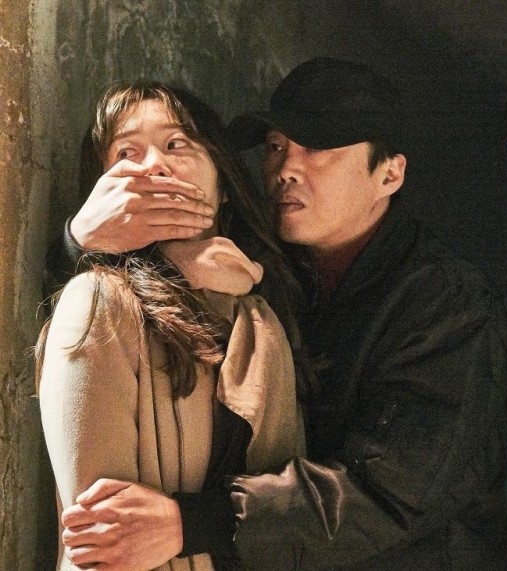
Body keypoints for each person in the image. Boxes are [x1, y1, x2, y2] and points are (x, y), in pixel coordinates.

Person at [53, 58, 507, 569]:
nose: (285, 169)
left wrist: (196, 522)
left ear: (389, 174)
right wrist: (83, 242)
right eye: (277, 147)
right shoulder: (269, 267)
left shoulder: (447, 305)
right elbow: (124, 298)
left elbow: (393, 491)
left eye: (317, 148)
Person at [37, 80, 307, 570]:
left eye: (176, 144)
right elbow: (103, 539)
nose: (153, 166)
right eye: (126, 153)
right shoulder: (98, 304)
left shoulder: (261, 313)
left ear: (223, 185)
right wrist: (92, 246)